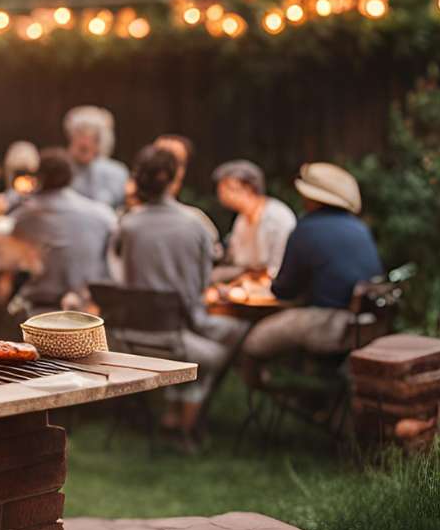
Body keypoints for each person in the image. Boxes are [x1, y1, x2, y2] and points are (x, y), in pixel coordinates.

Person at [118, 144, 247, 435]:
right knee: (235, 334)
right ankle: (185, 425)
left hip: (131, 336)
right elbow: (201, 286)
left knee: (210, 335)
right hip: (175, 335)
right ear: (175, 179)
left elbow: (119, 276)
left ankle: (173, 413)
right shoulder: (196, 224)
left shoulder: (127, 225)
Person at [242, 162, 383, 359]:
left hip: (330, 322)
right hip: (366, 323)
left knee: (253, 342)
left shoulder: (306, 230)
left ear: (311, 198)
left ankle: (274, 385)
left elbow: (284, 290)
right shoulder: (359, 228)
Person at [10, 149, 117, 313]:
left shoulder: (23, 218)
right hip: (88, 312)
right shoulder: (103, 215)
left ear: (39, 177)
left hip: (38, 313)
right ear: (71, 176)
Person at [211, 159, 296, 281]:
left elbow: (277, 267)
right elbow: (235, 260)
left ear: (248, 188)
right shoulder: (242, 218)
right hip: (247, 283)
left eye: (228, 187)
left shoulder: (277, 217)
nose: (222, 193)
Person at [154, 133, 222, 261]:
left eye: (177, 163)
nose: (168, 170)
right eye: (161, 159)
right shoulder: (127, 216)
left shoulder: (197, 221)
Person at [64, 106, 129, 209]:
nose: (84, 141)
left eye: (92, 136)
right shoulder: (63, 171)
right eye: (80, 133)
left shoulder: (117, 172)